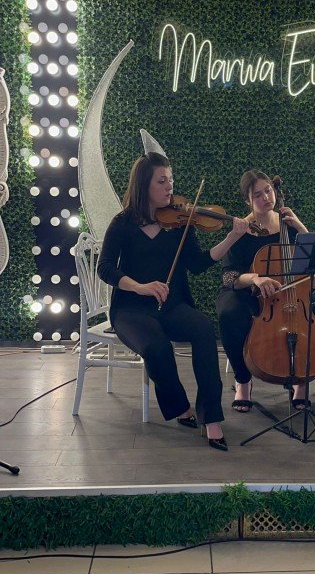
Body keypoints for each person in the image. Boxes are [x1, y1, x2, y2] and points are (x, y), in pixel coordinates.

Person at [97, 151, 248, 451]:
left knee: (203, 329)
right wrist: (139, 287)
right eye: (162, 181)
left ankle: (211, 416)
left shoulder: (180, 223)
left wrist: (231, 237)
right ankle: (180, 407)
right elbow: (105, 267)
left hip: (171, 305)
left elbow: (198, 264)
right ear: (144, 184)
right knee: (156, 347)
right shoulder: (123, 222)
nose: (170, 187)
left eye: (171, 180)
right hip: (130, 310)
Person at [216, 169, 315, 412]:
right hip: (249, 292)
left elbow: (314, 262)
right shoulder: (242, 229)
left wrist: (299, 226)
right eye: (257, 195)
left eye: (268, 191)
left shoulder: (288, 224)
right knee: (229, 315)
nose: (265, 198)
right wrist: (256, 279)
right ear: (248, 201)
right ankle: (243, 381)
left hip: (291, 293)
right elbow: (229, 276)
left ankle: (301, 382)